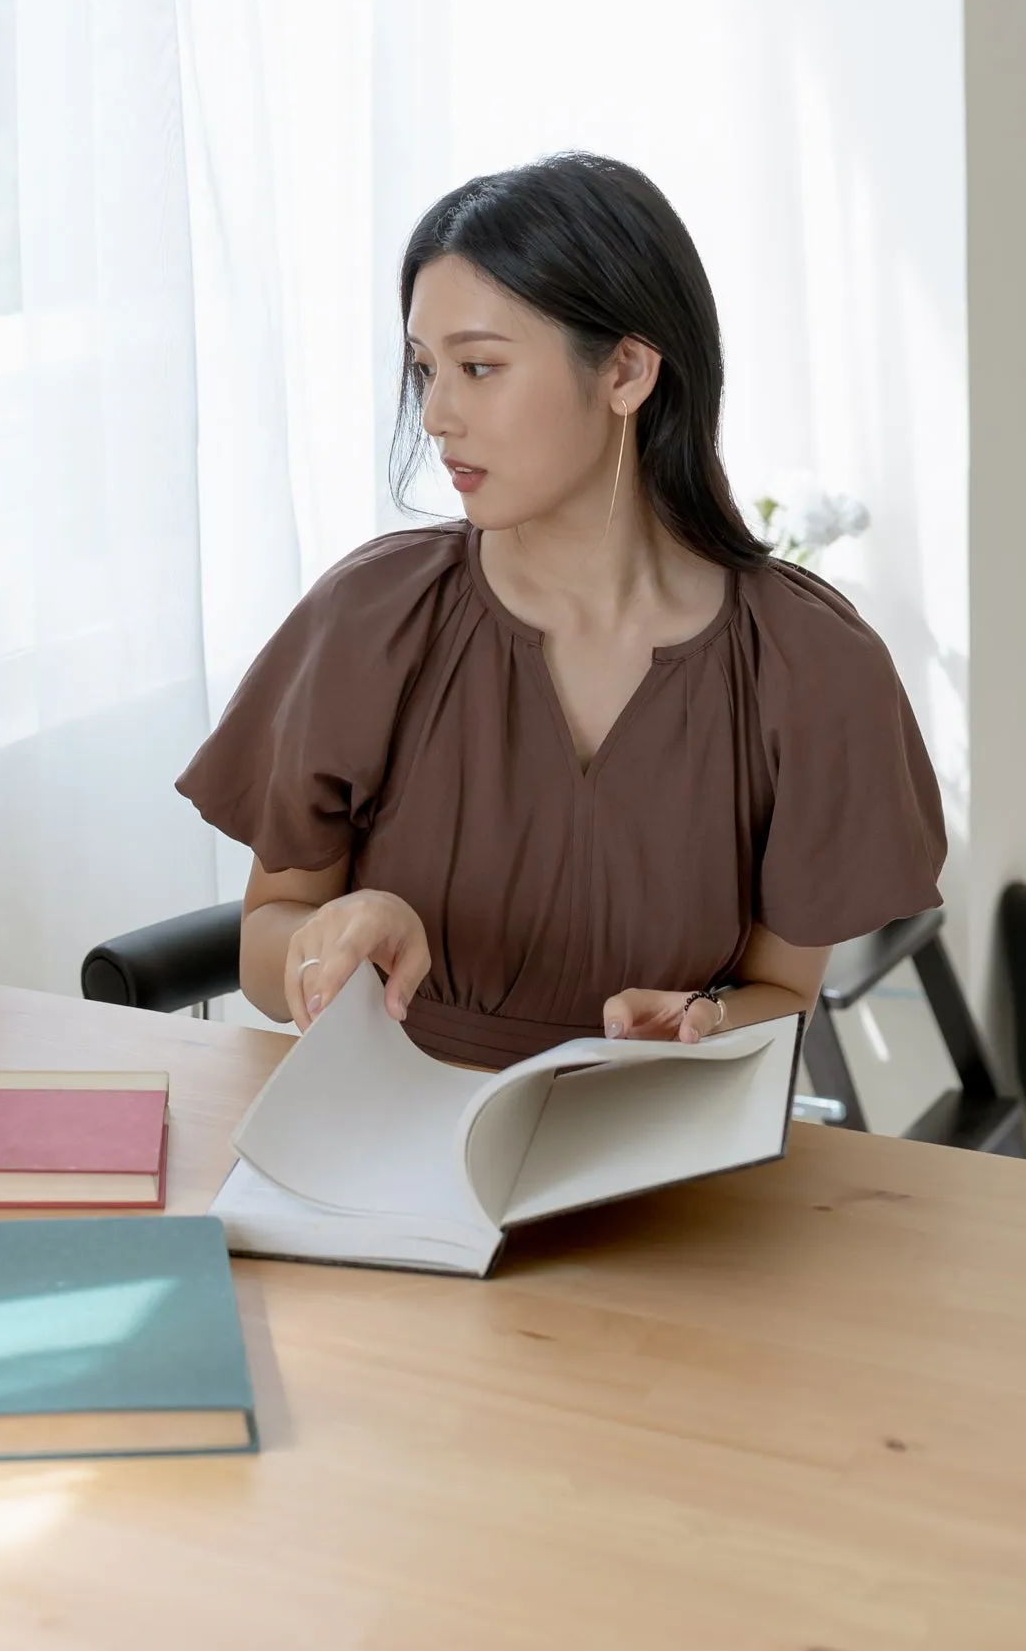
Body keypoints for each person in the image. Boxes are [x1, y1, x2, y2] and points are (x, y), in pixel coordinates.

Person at [175, 153, 946, 1070]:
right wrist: (326, 939)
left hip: (660, 1155)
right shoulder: (370, 618)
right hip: (387, 1147)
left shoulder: (810, 665)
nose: (436, 415)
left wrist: (701, 1028)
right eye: (426, 369)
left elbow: (780, 997)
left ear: (625, 370)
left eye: (479, 365)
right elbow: (269, 935)